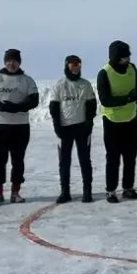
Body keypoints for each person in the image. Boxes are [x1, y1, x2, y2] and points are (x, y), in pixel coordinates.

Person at [0, 48, 40, 206]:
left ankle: (15, 191)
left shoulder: (26, 80)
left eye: (14, 61)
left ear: (19, 62)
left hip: (20, 126)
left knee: (18, 160)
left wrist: (18, 107)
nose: (11, 64)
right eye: (8, 61)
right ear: (4, 62)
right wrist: (0, 107)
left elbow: (34, 100)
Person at [97, 40, 137, 202]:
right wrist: (127, 98)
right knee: (113, 158)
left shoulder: (132, 69)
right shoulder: (104, 73)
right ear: (115, 58)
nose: (127, 60)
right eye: (123, 58)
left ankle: (128, 188)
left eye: (128, 57)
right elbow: (105, 100)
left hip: (131, 120)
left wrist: (136, 97)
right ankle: (110, 191)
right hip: (112, 122)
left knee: (130, 157)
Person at [49, 54, 97, 204]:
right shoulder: (59, 85)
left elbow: (91, 106)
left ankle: (87, 191)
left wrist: (89, 123)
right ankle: (65, 192)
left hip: (82, 128)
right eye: (72, 65)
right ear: (67, 66)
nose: (75, 67)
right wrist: (57, 126)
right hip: (65, 129)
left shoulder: (86, 85)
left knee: (85, 160)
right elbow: (54, 108)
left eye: (78, 65)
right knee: (64, 161)